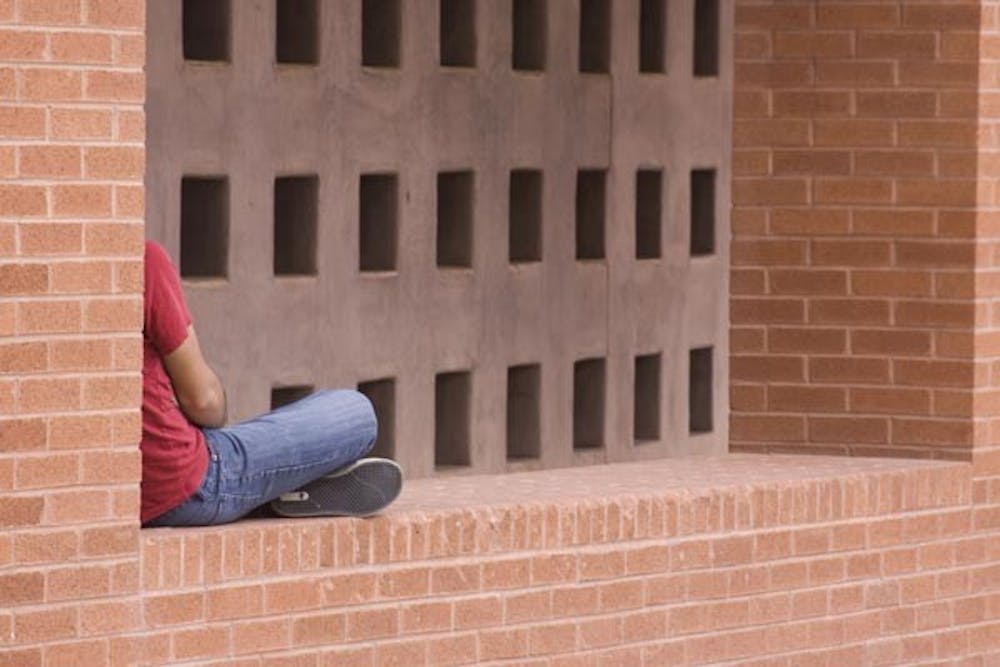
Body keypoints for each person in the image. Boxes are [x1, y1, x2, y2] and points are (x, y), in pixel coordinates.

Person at [140, 240, 402, 527]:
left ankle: (280, 487)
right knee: (357, 413)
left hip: (123, 501)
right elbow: (204, 402)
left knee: (252, 437)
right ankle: (279, 488)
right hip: (189, 484)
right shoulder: (142, 259)